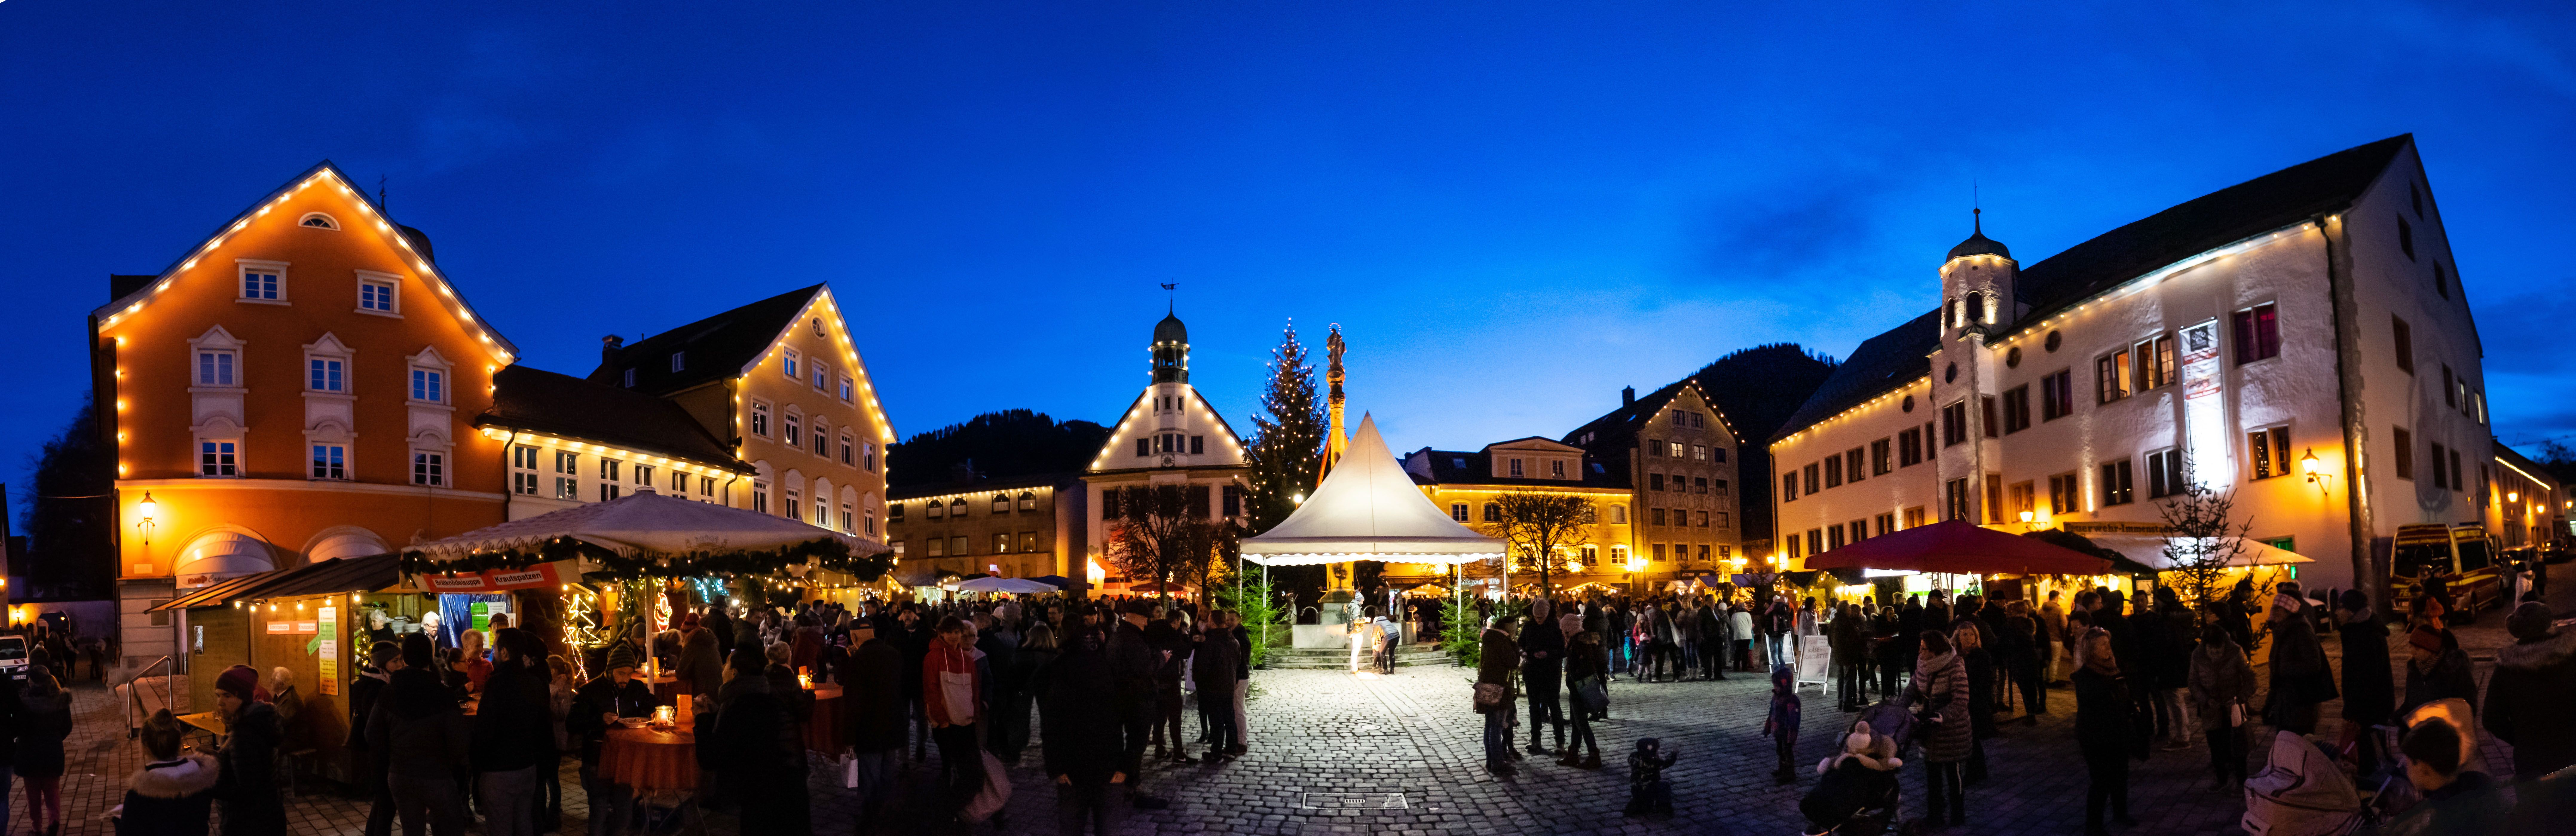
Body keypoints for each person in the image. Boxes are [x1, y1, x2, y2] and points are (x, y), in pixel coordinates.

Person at [710, 645, 811, 835]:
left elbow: (713, 756)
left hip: (764, 792)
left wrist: (702, 720)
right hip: (791, 780)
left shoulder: (740, 704)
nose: (722, 667)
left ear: (734, 673)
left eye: (726, 664)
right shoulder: (763, 697)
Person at [563, 641, 651, 836]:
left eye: (629, 673)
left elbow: (654, 706)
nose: (625, 679)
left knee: (624, 815)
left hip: (625, 760)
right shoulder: (590, 691)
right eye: (621, 673)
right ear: (610, 670)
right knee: (599, 811)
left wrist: (651, 715)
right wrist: (599, 719)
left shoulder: (636, 689)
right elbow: (573, 723)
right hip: (597, 759)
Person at [2484, 601, 2576, 779]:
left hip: (2531, 761)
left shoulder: (2506, 669)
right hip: (2571, 754)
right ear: (2548, 626)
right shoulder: (2571, 658)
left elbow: (2491, 719)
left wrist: (2521, 740)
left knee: (2535, 805)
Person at [471, 629, 549, 836]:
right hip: (528, 767)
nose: (494, 651)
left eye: (495, 647)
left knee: (501, 828)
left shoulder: (497, 684)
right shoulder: (535, 683)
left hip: (499, 771)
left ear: (504, 652)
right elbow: (544, 727)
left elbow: (485, 730)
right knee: (524, 823)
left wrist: (478, 764)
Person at [2379, 716, 2506, 836]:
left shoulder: (2434, 821)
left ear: (2424, 768)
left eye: (2408, 763)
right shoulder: (2481, 783)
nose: (2407, 769)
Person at [2074, 627, 2140, 835]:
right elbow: (2093, 705)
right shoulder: (2086, 676)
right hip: (2096, 735)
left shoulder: (2113, 668)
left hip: (2118, 731)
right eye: (2102, 644)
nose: (2108, 648)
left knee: (2121, 775)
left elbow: (2123, 697)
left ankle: (2121, 813)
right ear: (2091, 650)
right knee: (2101, 781)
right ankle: (2093, 826)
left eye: (2108, 643)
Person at [837, 620, 905, 823]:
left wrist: (849, 736)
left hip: (870, 729)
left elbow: (853, 702)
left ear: (855, 638)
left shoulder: (859, 660)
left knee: (870, 777)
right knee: (887, 774)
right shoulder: (894, 654)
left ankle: (871, 818)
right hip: (893, 725)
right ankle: (886, 812)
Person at [1104, 601, 1168, 809]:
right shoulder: (1132, 638)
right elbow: (1146, 667)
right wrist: (1162, 658)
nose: (1148, 622)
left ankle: (1124, 785)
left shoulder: (1120, 635)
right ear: (1137, 617)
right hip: (1137, 700)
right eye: (1146, 618)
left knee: (1130, 746)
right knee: (1136, 746)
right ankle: (1131, 787)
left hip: (1124, 698)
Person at [117, 710, 220, 836]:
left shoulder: (140, 795)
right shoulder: (202, 778)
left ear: (145, 746)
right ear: (179, 743)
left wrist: (118, 822)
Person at [210, 664, 285, 836]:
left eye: (227, 696)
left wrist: (209, 783)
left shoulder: (243, 735)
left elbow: (247, 791)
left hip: (248, 825)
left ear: (243, 697)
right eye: (218, 695)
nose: (220, 702)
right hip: (269, 818)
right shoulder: (260, 722)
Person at [1907, 630, 1970, 829]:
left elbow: (1961, 701)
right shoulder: (1922, 665)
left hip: (1952, 732)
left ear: (1935, 651)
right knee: (1932, 777)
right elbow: (1913, 687)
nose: (1920, 651)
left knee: (1953, 775)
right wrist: (1899, 708)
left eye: (1924, 648)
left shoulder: (1955, 667)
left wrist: (1942, 716)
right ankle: (1935, 815)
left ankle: (1958, 814)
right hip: (1930, 730)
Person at [924, 616, 986, 810]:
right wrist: (942, 721)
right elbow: (931, 690)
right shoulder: (933, 658)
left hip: (967, 723)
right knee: (950, 769)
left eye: (957, 632)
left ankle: (955, 808)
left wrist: (975, 713)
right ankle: (948, 812)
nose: (954, 636)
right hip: (947, 725)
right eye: (949, 632)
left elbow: (974, 689)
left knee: (972, 772)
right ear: (941, 633)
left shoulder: (967, 659)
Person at [2186, 623, 2256, 793]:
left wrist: (2240, 698)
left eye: (2218, 651)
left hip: (2233, 706)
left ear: (2225, 645)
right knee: (2216, 746)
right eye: (2211, 651)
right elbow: (2193, 683)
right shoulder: (2198, 656)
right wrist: (2206, 700)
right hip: (2211, 710)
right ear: (2206, 647)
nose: (2215, 655)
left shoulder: (2236, 652)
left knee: (2239, 745)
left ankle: (2242, 781)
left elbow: (2250, 677)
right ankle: (2221, 779)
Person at [2332, 590, 2395, 777]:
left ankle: (2375, 792)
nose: (2336, 613)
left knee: (2370, 755)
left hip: (2371, 708)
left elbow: (2365, 678)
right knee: (2371, 752)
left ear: (2352, 611)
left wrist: (2353, 709)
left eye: (2340, 608)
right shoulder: (2357, 631)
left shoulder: (2364, 635)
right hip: (2371, 706)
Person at [2264, 582, 2337, 732]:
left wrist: (2283, 668)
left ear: (2289, 611)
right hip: (2287, 699)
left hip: (2301, 701)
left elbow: (2313, 664)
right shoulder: (2283, 631)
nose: (2274, 613)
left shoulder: (2301, 631)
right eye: (2274, 609)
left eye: (2279, 609)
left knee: (2298, 742)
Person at [350, 642, 400, 836]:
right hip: (381, 755)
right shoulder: (375, 687)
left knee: (382, 804)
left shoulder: (379, 682)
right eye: (396, 661)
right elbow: (377, 726)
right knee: (387, 805)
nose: (401, 664)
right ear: (382, 664)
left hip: (380, 753)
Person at [16, 668, 70, 836]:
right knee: (52, 792)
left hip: (29, 753)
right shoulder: (59, 699)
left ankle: (37, 828)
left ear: (31, 681)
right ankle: (54, 821)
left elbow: (19, 726)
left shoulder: (24, 701)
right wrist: (55, 738)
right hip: (52, 751)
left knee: (33, 796)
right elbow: (67, 726)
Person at [1559, 613, 1606, 770]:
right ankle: (1573, 754)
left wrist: (1574, 677)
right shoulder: (1578, 641)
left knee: (1581, 723)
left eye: (1564, 630)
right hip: (1577, 688)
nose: (1562, 633)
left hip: (1580, 688)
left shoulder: (1579, 644)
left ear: (1569, 629)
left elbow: (1584, 667)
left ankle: (1594, 754)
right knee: (1576, 722)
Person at [1520, 598, 1566, 756]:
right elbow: (1520, 643)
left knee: (1554, 706)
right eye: (1536, 617)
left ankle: (1560, 742)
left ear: (1547, 614)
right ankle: (1536, 741)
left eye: (1541, 617)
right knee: (1534, 707)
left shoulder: (1555, 627)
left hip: (1551, 671)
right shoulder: (1529, 626)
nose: (1539, 620)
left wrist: (1548, 654)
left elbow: (1563, 649)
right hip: (1532, 670)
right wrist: (1523, 652)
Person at [1477, 614, 1521, 775]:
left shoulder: (1490, 638)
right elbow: (1513, 662)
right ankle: (1498, 763)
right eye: (1515, 626)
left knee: (1490, 725)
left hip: (1488, 685)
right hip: (1500, 688)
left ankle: (1491, 760)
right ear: (1509, 627)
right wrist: (1515, 644)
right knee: (1496, 726)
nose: (1516, 629)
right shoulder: (1503, 641)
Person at [2399, 626, 2476, 718]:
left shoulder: (2454, 669)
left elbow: (2469, 706)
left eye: (2417, 649)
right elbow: (2410, 704)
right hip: (2419, 728)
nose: (2413, 652)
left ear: (2431, 650)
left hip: (2445, 729)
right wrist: (2397, 718)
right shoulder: (2414, 670)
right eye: (2411, 647)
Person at [1192, 617, 1240, 760]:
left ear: (1213, 623)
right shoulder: (1234, 641)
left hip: (1213, 687)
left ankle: (1216, 752)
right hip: (1228, 685)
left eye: (1209, 620)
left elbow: (1204, 667)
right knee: (1229, 718)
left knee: (1217, 720)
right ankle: (1231, 749)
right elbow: (1238, 662)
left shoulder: (1211, 642)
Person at [1764, 664, 1803, 784]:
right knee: (1780, 750)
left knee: (1787, 751)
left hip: (1786, 732)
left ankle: (1789, 772)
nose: (1775, 688)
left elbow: (1794, 719)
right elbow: (1772, 712)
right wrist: (1768, 726)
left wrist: (1792, 732)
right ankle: (1782, 769)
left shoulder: (1791, 701)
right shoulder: (1776, 698)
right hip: (1778, 730)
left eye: (1777, 686)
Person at [1623, 737, 1679, 817]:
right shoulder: (1654, 762)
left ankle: (1641, 804)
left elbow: (1631, 760)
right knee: (1665, 786)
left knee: (1645, 800)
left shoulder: (1633, 757)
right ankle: (1663, 808)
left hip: (1636, 788)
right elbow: (1667, 763)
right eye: (1657, 750)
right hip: (1650, 789)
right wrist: (1674, 754)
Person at [1831, 603, 1866, 712]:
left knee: (1841, 679)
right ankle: (1847, 704)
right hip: (1848, 654)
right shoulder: (1846, 622)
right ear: (1846, 610)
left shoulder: (1834, 622)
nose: (1851, 611)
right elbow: (1855, 638)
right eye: (1849, 608)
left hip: (1838, 654)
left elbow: (1830, 639)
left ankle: (1841, 702)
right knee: (1848, 679)